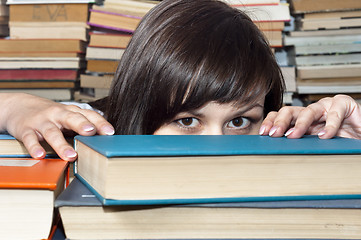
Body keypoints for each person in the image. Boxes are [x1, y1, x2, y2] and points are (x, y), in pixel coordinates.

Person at [1, 0, 360, 161]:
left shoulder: (285, 134)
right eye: (187, 121)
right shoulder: (97, 127)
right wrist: (17, 107)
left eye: (239, 121)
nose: (216, 149)